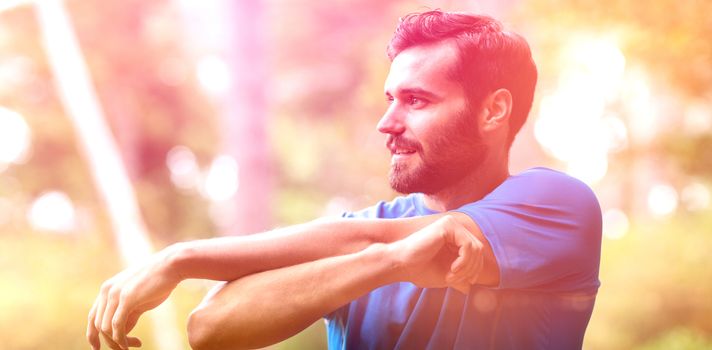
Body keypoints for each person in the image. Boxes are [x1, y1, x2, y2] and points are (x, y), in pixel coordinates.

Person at [86, 10, 602, 350]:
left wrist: (182, 258)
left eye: (417, 101)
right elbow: (208, 329)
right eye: (390, 99)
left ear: (494, 111)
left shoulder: (558, 207)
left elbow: (370, 239)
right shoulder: (368, 235)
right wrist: (387, 264)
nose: (388, 123)